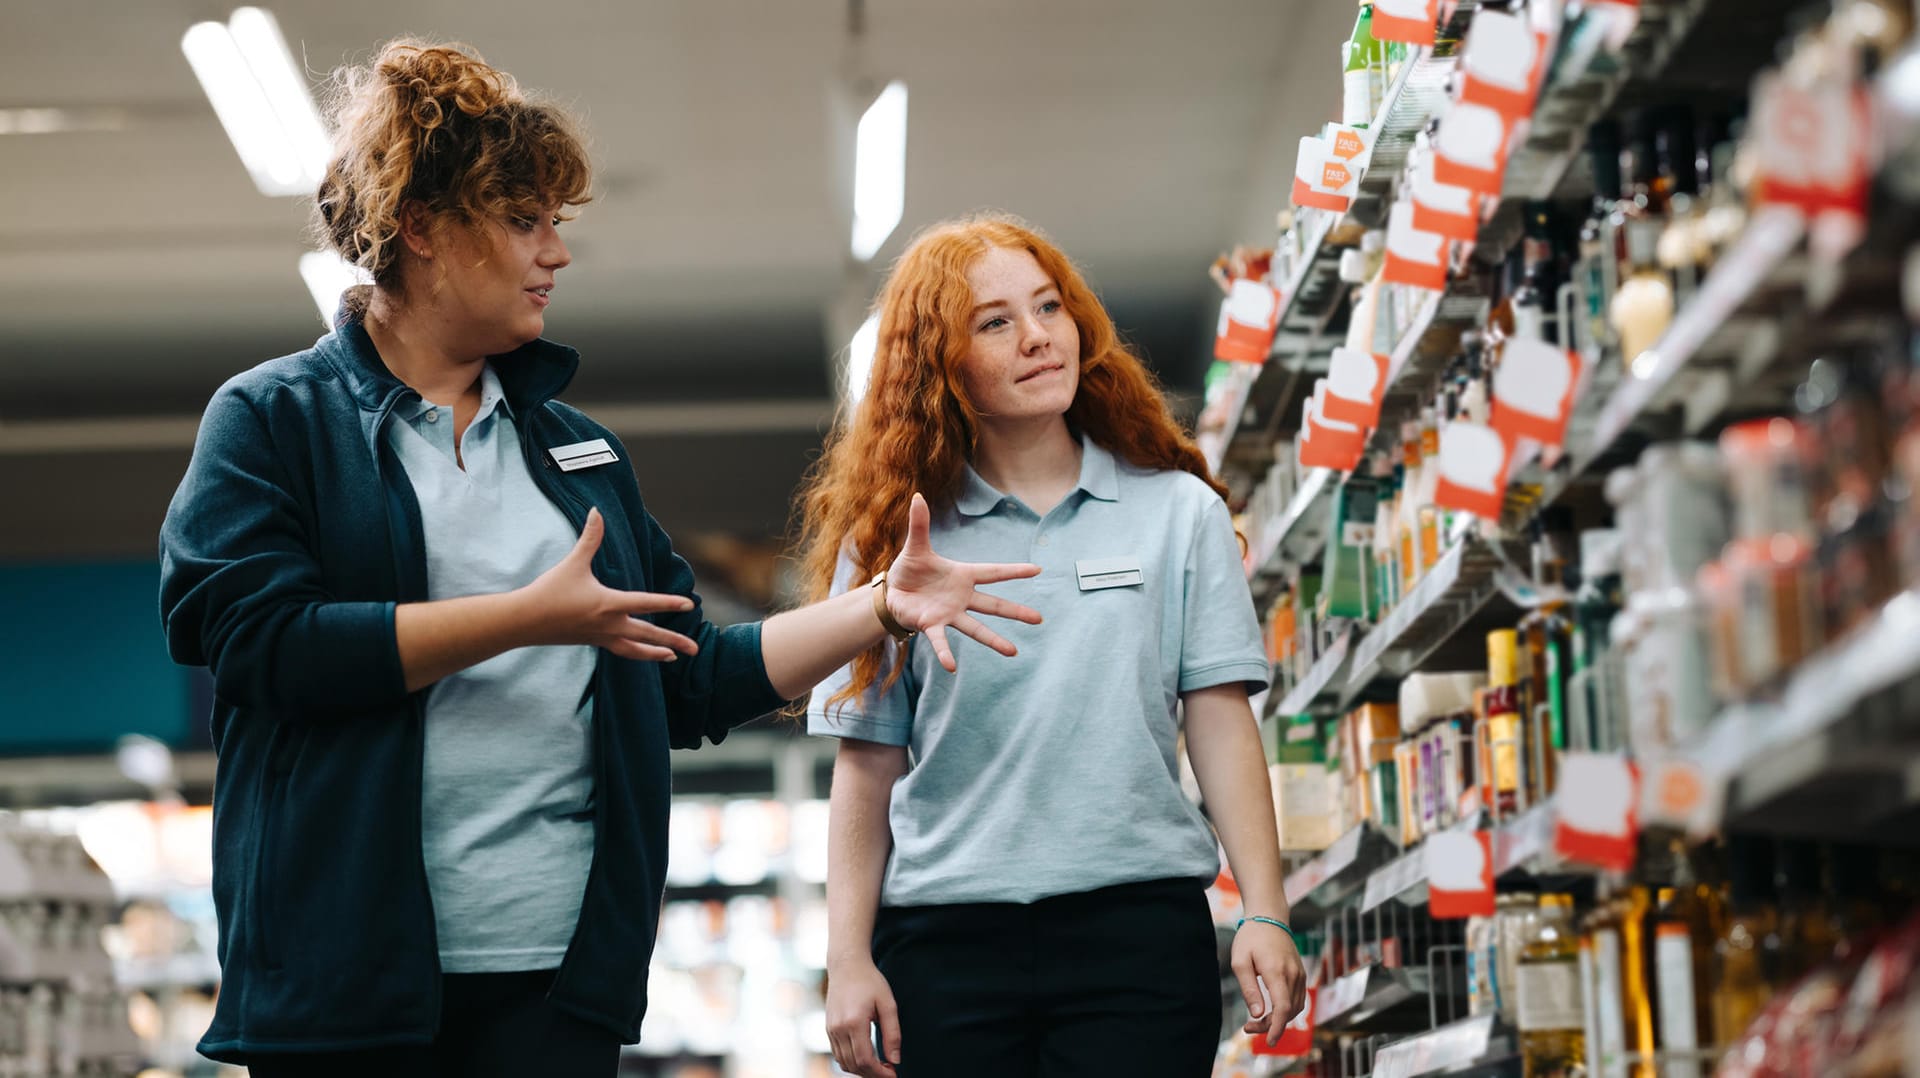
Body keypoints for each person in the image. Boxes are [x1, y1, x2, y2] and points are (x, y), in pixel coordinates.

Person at [157, 41, 1041, 1078]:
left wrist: (882, 608)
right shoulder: (273, 421)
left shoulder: (574, 451)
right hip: (343, 980)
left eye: (556, 224)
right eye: (523, 222)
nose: (555, 254)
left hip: (555, 980)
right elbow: (258, 647)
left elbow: (690, 673)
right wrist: (529, 616)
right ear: (425, 229)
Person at [798, 214, 1309, 1078]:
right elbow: (867, 762)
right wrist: (848, 957)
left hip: (1138, 933)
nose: (1038, 337)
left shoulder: (1178, 513)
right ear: (942, 363)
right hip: (946, 941)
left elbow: (1219, 716)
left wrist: (1266, 907)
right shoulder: (894, 537)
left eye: (1049, 308)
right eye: (995, 322)